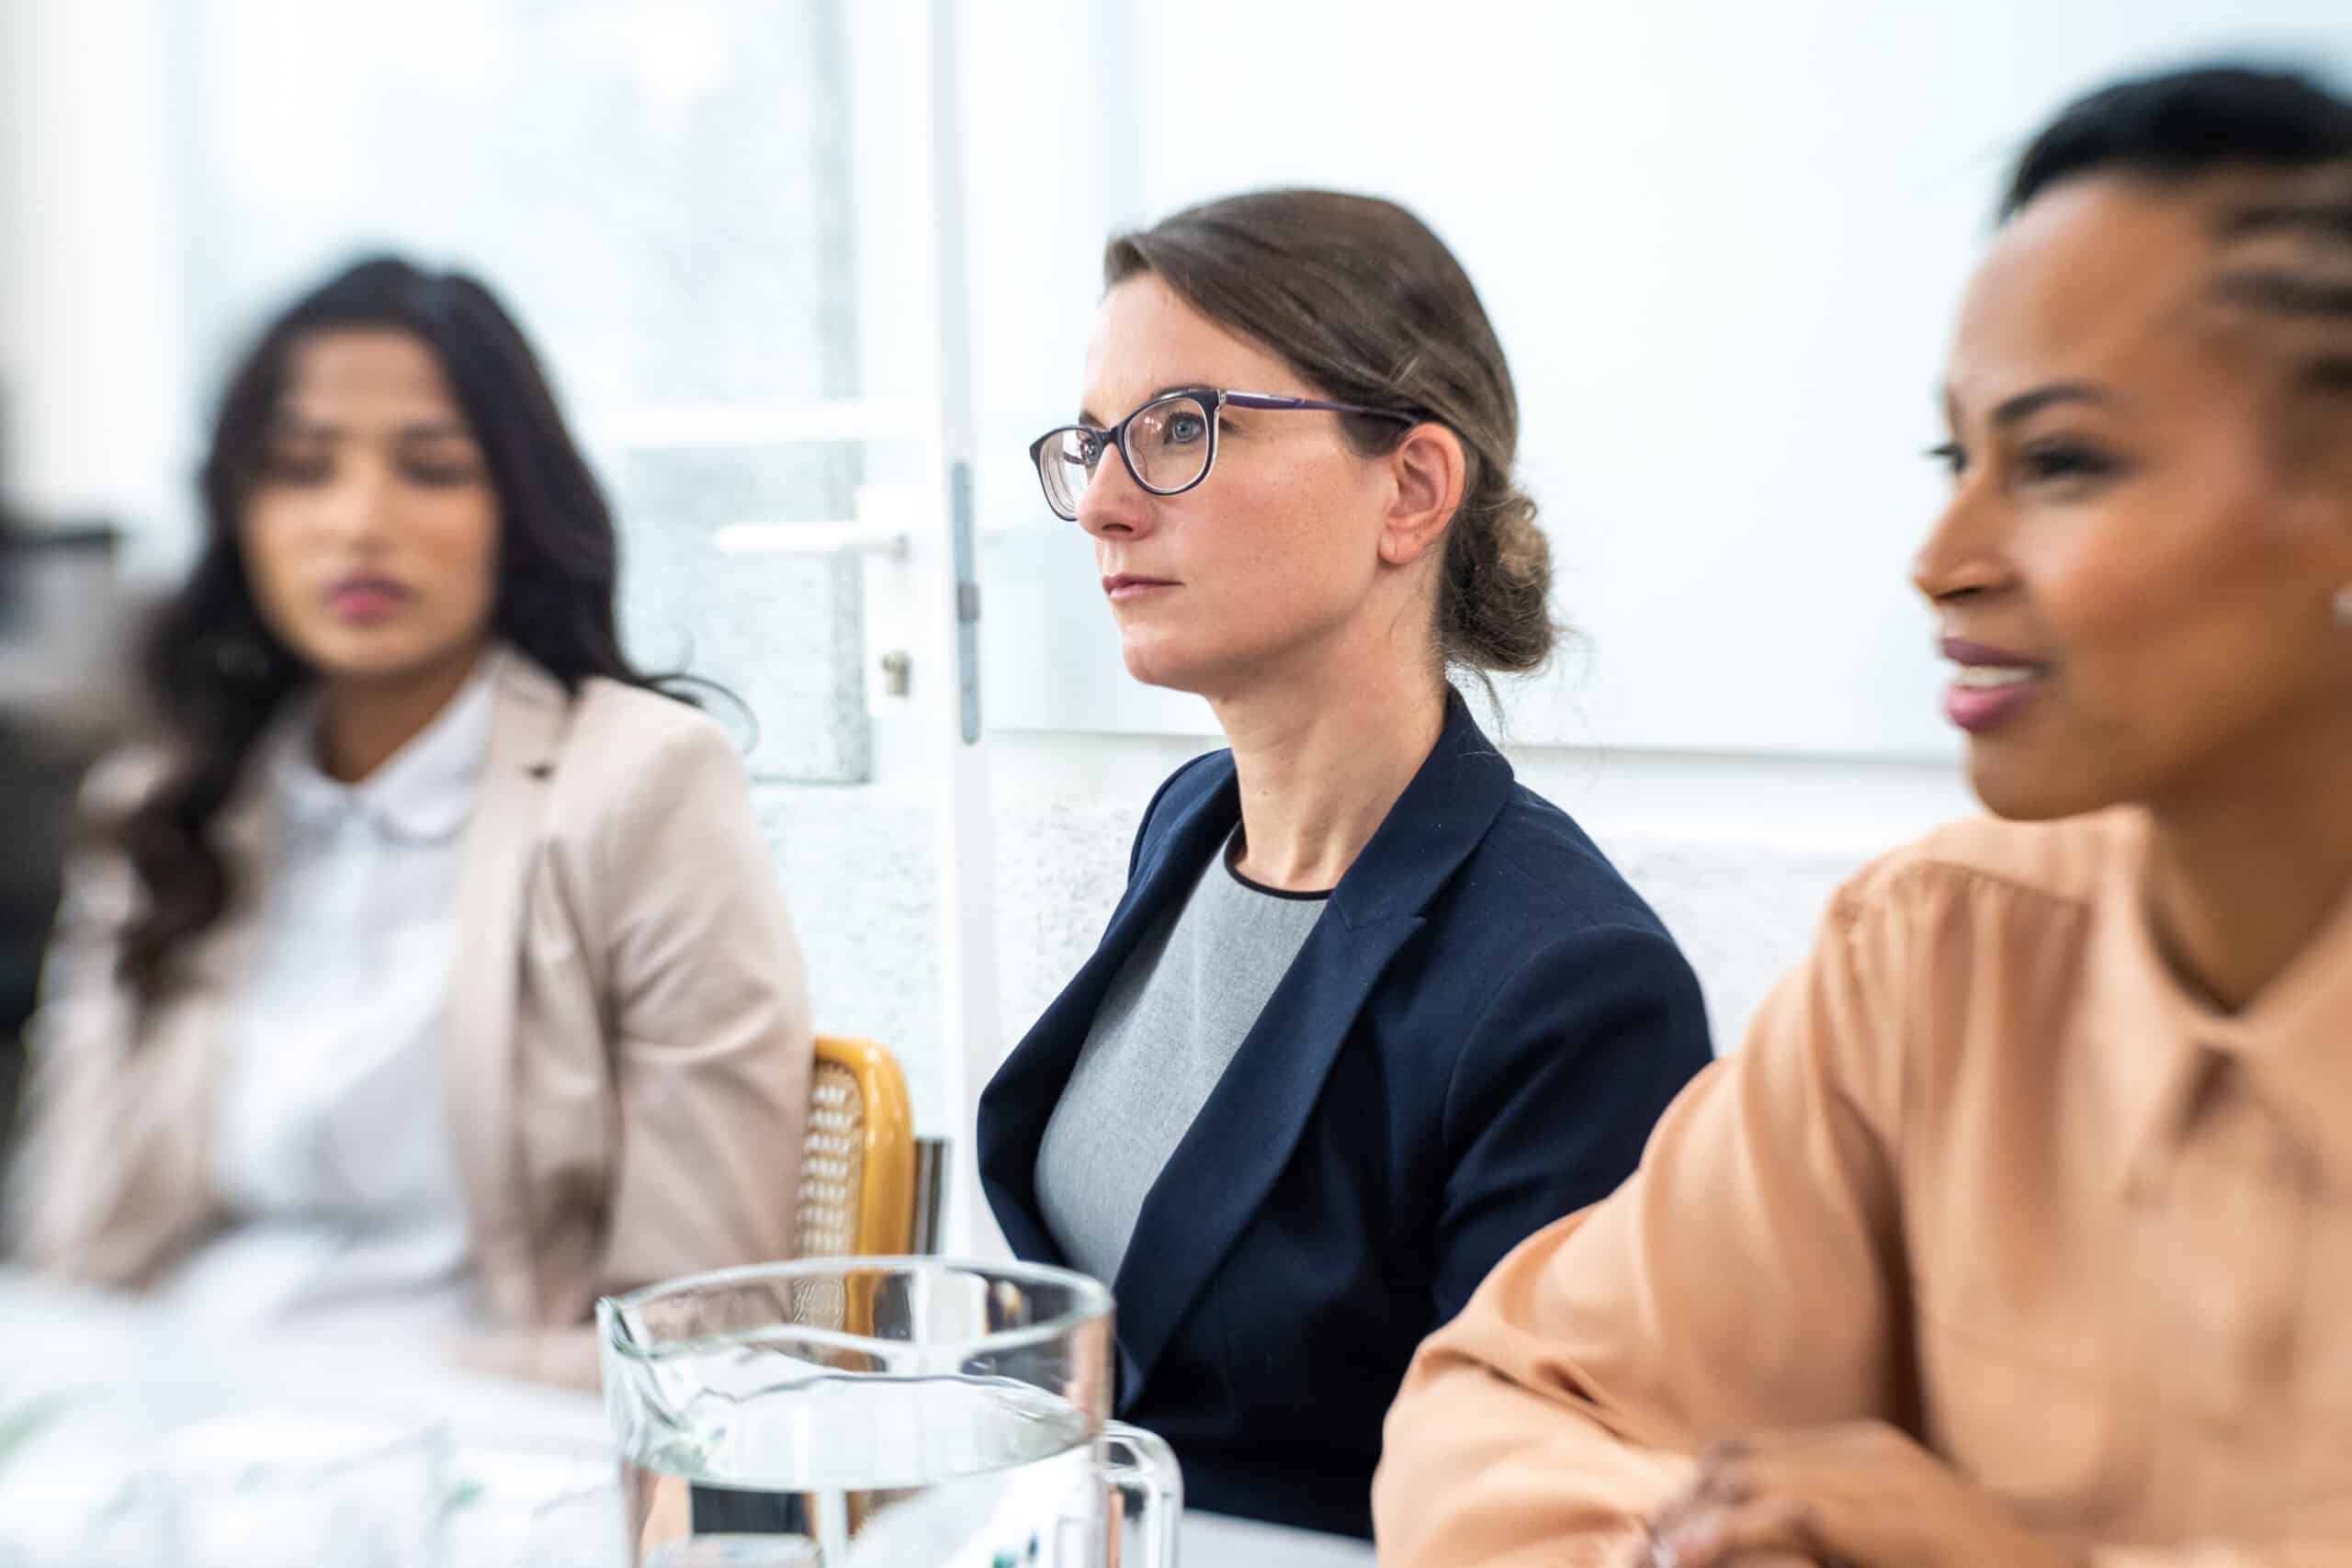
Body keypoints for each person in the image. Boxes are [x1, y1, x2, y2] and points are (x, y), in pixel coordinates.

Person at [1374, 63, 2352, 1568]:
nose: (1943, 556)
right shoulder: (1939, 955)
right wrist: (1694, 1545)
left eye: (2067, 460)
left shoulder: (1550, 941)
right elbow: (1506, 1404)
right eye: (1959, 460)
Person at [978, 190, 1713, 1538]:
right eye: (1093, 443)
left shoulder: (1575, 989)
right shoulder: (1189, 825)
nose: (1102, 504)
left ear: (1413, 489)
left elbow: (1545, 1516)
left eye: (1183, 430)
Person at [4, 257, 811, 1382]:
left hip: (491, 1449)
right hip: (176, 1423)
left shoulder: (641, 783)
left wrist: (351, 1395)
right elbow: (80, 1242)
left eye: (431, 469)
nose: (360, 523)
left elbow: (698, 1321)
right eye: (300, 470)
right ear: (240, 516)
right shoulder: (163, 809)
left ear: (515, 510)